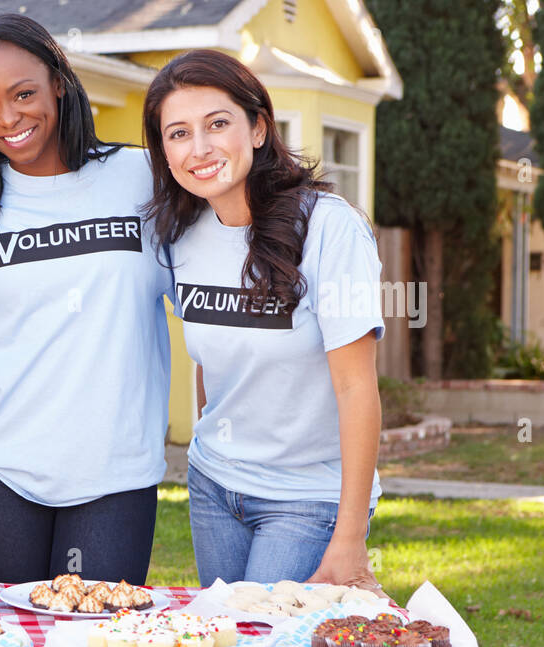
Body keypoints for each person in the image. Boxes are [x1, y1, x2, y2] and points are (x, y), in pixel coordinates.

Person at [0, 13, 172, 584]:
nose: (7, 118)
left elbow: (224, 263)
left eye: (23, 93)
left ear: (59, 82)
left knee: (100, 641)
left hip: (116, 470)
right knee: (16, 645)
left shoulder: (144, 179)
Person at [141, 49, 383, 589]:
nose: (199, 148)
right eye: (178, 133)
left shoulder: (328, 228)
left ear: (257, 129)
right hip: (213, 486)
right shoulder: (180, 233)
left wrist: (349, 538)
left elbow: (356, 388)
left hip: (307, 498)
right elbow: (213, 362)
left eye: (217, 124)